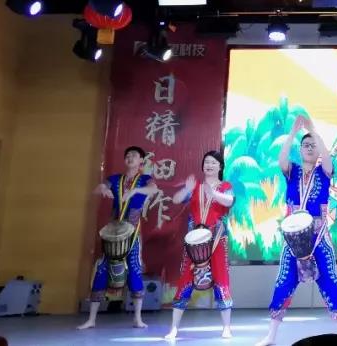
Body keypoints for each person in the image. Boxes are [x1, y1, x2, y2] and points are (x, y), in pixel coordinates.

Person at [256, 113, 337, 346]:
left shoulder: (324, 172)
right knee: (283, 282)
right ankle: (271, 336)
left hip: (318, 237)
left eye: (312, 145)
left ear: (318, 150)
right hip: (293, 240)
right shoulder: (293, 171)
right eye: (305, 145)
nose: (309, 148)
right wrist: (293, 133)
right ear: (300, 149)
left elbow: (327, 159)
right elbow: (281, 159)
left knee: (330, 281)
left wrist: (313, 131)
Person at [78, 146, 160, 330]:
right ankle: (91, 319)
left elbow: (153, 189)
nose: (130, 158)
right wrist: (102, 189)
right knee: (101, 270)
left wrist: (135, 191)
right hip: (114, 232)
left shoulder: (145, 179)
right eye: (127, 155)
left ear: (141, 161)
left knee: (135, 271)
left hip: (132, 232)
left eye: (134, 156)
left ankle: (137, 318)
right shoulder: (115, 179)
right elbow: (100, 187)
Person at [166, 149, 234, 341]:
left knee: (221, 280)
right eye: (206, 162)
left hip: (217, 239)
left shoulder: (225, 186)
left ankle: (226, 328)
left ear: (220, 167)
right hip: (195, 241)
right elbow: (176, 199)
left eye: (213, 162)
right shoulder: (195, 186)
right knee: (185, 279)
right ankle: (174, 329)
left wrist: (213, 193)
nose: (209, 165)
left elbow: (229, 201)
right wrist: (186, 189)